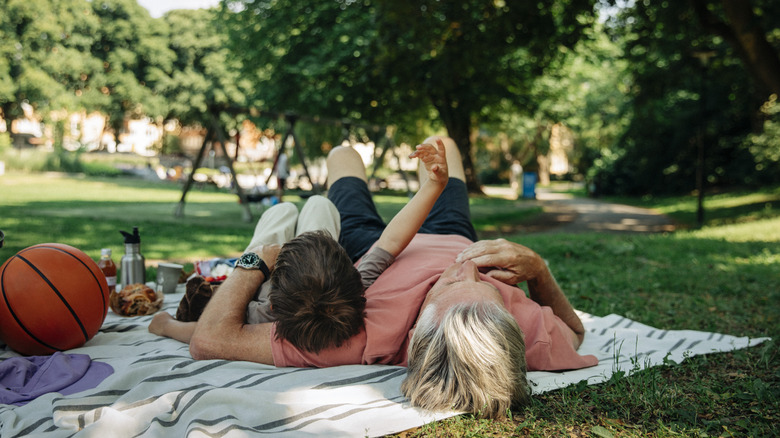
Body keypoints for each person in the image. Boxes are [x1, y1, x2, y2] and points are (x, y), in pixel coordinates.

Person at [151, 136, 597, 419]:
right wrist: (538, 271)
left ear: (419, 332)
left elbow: (209, 341)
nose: (465, 268)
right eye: (487, 287)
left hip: (370, 245)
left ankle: (351, 154)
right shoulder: (527, 336)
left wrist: (254, 263)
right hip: (452, 232)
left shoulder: (359, 335)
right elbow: (575, 331)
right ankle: (429, 157)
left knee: (342, 154)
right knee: (444, 145)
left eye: (452, 286)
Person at [150, 139, 450, 354]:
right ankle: (297, 229)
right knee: (320, 203)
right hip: (300, 280)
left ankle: (273, 241)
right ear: (348, 270)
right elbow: (391, 240)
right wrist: (434, 186)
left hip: (263, 274)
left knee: (281, 213)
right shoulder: (352, 289)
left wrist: (164, 325)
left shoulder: (262, 313)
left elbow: (204, 332)